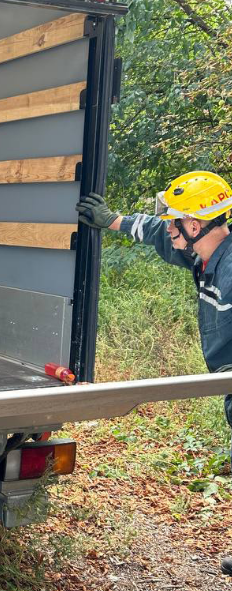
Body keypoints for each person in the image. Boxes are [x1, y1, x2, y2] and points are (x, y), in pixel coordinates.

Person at [76, 171, 232, 575]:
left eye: (174, 221)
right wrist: (111, 220)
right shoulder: (204, 253)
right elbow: (155, 234)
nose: (169, 228)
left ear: (194, 225)